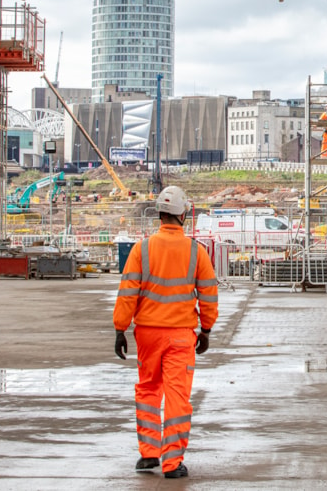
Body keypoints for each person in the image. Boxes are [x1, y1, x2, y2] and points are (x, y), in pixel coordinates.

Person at [113, 185, 218, 479]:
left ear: (159, 213)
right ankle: (172, 463)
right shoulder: (196, 251)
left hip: (147, 334)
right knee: (176, 396)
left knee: (148, 389)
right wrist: (206, 329)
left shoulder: (141, 249)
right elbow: (209, 295)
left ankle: (148, 455)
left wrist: (120, 329)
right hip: (180, 335)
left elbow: (127, 293)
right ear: (183, 214)